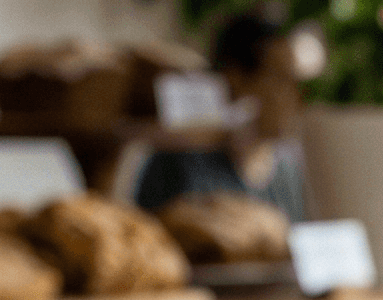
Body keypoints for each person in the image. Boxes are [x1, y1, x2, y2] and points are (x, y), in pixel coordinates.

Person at [133, 13, 313, 221]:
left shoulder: (287, 174)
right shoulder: (179, 165)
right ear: (236, 79)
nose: (297, 98)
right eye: (281, 81)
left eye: (297, 84)